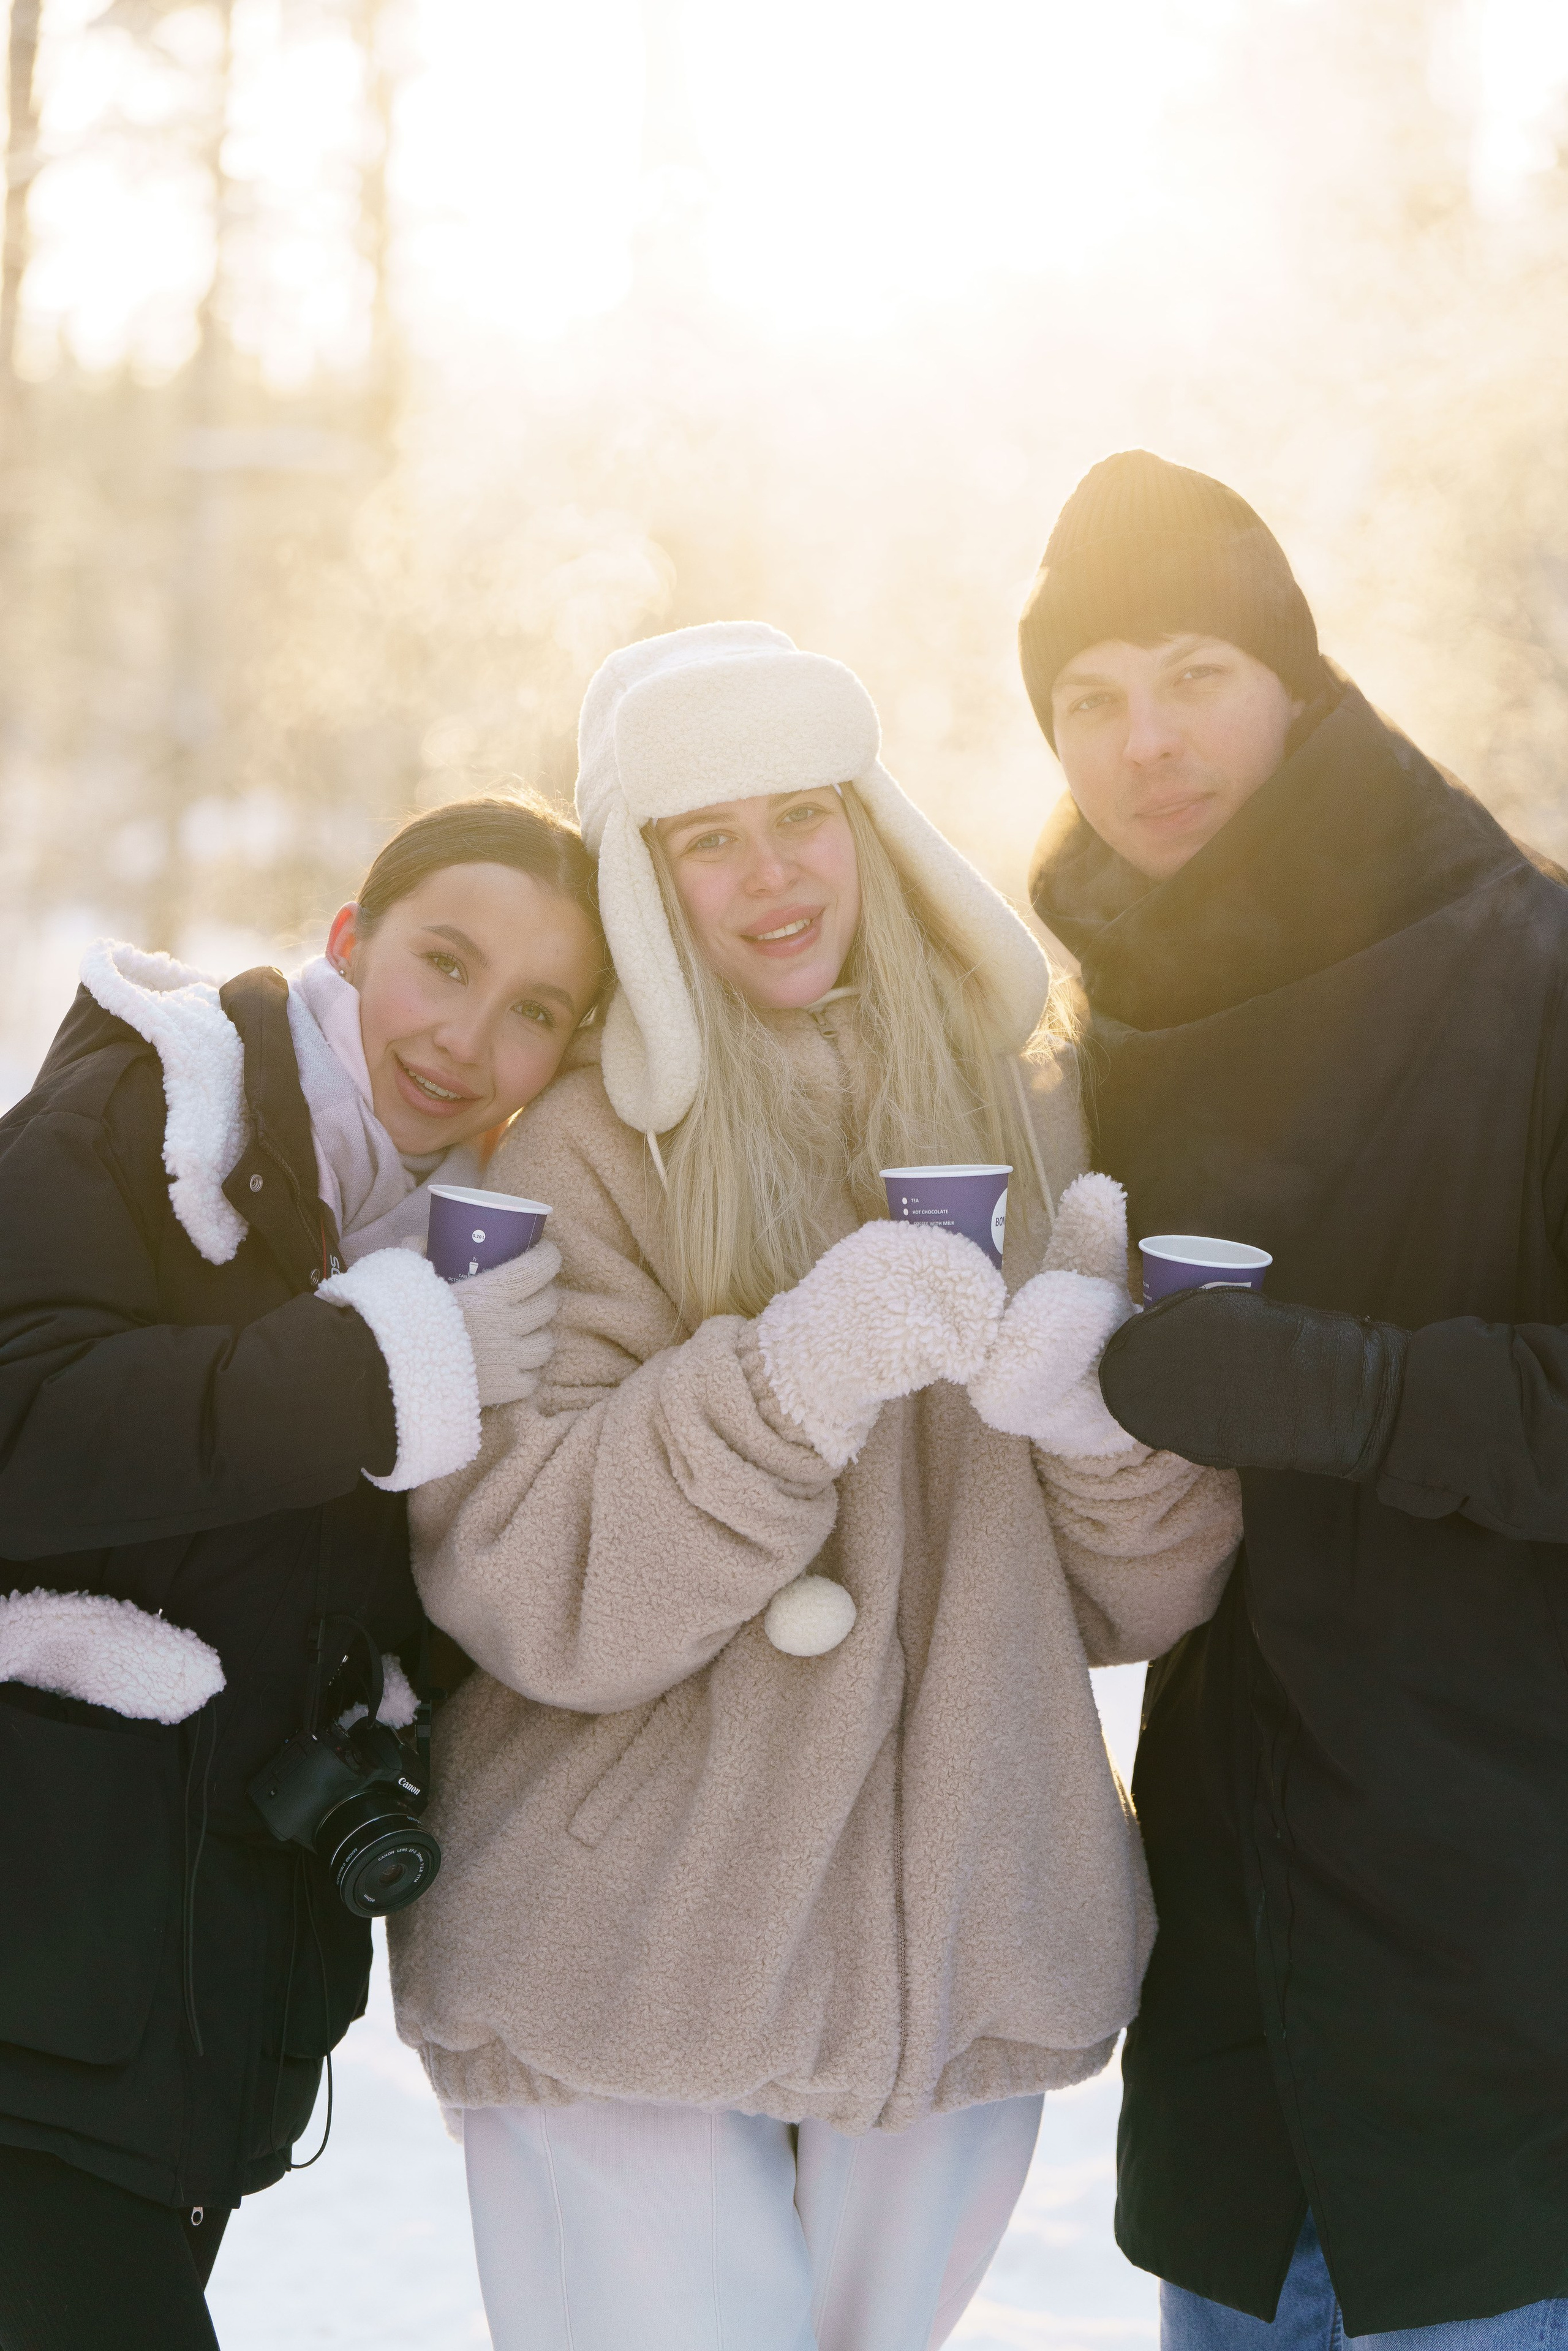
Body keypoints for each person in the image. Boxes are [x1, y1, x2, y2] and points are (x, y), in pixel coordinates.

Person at [390, 620, 1241, 2351]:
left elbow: (1131, 1599)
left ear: (872, 817)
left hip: (953, 1920)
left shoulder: (1034, 1103)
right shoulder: (575, 1136)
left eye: (803, 811)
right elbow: (522, 1576)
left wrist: (1105, 1428)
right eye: (709, 836)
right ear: (645, 877)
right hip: (632, 1928)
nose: (772, 874)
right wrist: (786, 1382)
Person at [1020, 448, 1568, 2349]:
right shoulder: (1103, 1024)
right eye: (1090, 697)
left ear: (1298, 684)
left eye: (1195, 673)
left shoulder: (1534, 969)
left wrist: (1313, 1383)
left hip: (1507, 1999)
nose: (1145, 739)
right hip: (1241, 1983)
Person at [0, 794, 603, 2351]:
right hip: (35, 1977)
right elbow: (23, 1423)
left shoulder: (443, 1246)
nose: (467, 1037)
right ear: (349, 942)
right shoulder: (142, 1119)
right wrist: (373, 1369)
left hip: (178, 2023)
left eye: (533, 1009)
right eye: (443, 963)